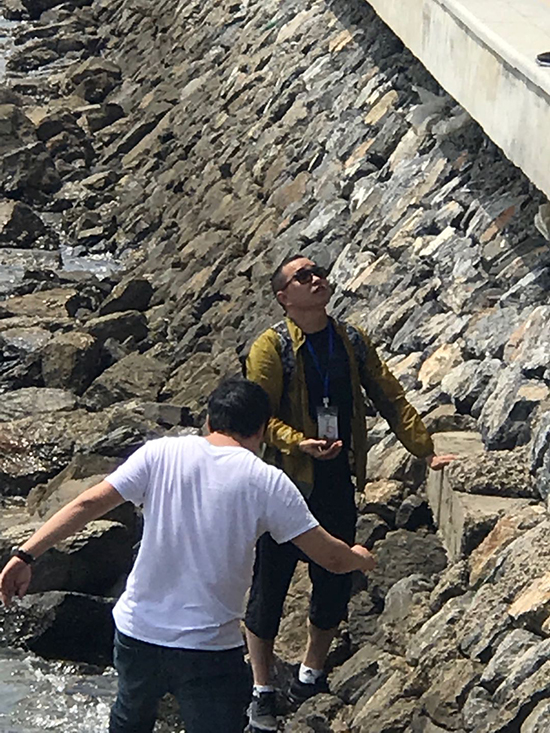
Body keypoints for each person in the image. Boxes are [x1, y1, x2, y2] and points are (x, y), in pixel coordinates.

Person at [0, 377, 376, 733]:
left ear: (208, 421)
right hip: (208, 648)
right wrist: (360, 556)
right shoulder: (267, 482)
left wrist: (25, 555)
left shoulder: (160, 453)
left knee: (128, 720)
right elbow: (331, 559)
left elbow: (87, 504)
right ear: (261, 431)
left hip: (138, 634)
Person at [244, 255, 455, 732]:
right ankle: (262, 688)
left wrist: (425, 451)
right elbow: (258, 418)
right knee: (270, 583)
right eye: (303, 276)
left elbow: (389, 396)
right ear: (284, 297)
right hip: (285, 485)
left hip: (336, 479)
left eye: (317, 271)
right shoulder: (270, 347)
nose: (316, 279)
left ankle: (311, 672)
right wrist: (299, 442)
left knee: (334, 577)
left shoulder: (351, 340)